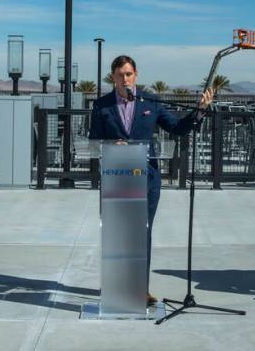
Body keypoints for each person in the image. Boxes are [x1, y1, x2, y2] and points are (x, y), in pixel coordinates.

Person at [88, 55, 214, 306]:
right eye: (119, 75)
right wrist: (112, 145)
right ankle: (116, 285)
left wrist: (199, 111)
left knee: (143, 232)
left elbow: (177, 128)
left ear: (136, 74)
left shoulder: (151, 101)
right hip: (116, 178)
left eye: (128, 74)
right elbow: (93, 142)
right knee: (117, 233)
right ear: (112, 77)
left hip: (146, 178)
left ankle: (139, 288)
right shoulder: (101, 105)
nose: (124, 79)